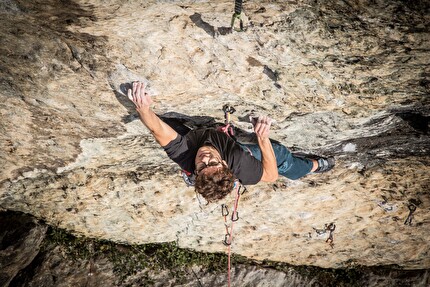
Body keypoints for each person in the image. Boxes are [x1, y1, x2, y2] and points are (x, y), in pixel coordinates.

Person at [128, 82, 334, 202]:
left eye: (202, 166)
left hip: (217, 144)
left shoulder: (185, 156)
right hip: (251, 155)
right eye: (213, 163)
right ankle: (315, 165)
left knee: (166, 123)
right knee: (286, 162)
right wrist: (262, 138)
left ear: (196, 171)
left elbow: (157, 129)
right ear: (225, 165)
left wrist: (143, 108)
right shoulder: (241, 165)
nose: (205, 158)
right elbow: (271, 176)